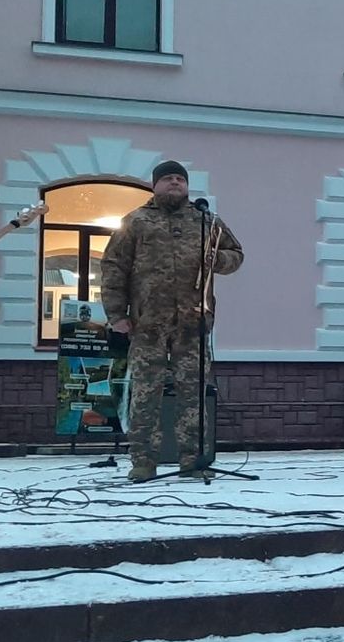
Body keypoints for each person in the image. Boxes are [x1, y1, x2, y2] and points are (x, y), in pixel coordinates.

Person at [99, 160, 245, 481]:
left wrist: (217, 259)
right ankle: (143, 461)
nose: (175, 183)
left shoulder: (206, 220)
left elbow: (236, 255)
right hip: (146, 323)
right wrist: (116, 315)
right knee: (145, 392)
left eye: (180, 179)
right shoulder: (135, 222)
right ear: (155, 185)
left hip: (193, 324)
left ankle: (192, 459)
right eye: (168, 179)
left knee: (192, 394)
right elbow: (113, 269)